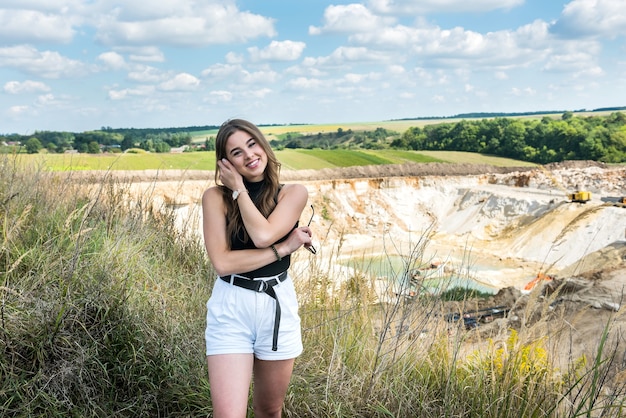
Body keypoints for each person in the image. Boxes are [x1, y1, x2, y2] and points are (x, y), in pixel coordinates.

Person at [202, 119, 313, 418]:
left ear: (263, 144)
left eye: (252, 144)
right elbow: (223, 264)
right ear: (226, 162)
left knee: (269, 411)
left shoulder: (293, 193)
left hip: (276, 305)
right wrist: (283, 248)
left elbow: (261, 235)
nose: (249, 155)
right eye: (237, 152)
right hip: (231, 307)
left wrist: (241, 192)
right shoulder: (215, 198)